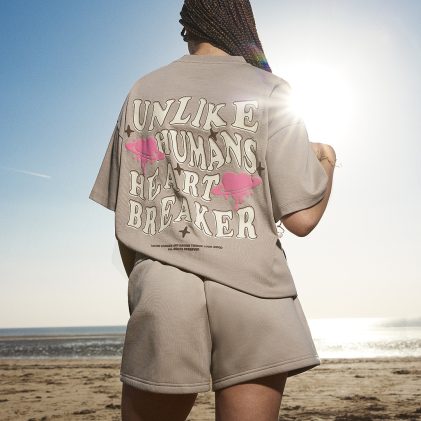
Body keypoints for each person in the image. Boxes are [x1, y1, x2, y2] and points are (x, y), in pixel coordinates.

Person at [88, 0, 336, 420]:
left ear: (187, 27)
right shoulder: (271, 90)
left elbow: (127, 212)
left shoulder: (143, 90)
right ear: (242, 23)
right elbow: (302, 219)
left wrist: (147, 279)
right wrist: (327, 160)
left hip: (165, 286)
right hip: (255, 290)